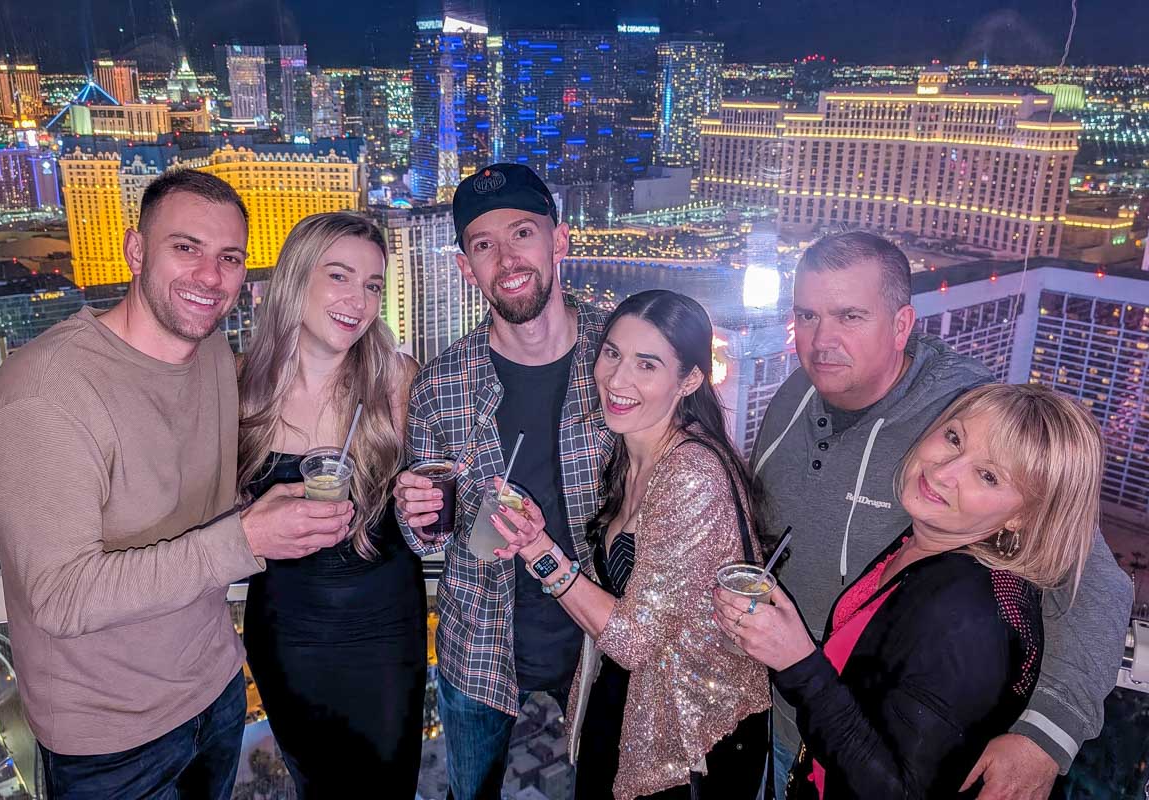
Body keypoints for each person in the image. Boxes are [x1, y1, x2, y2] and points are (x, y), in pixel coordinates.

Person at [0, 169, 355, 799]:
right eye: (186, 248)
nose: (210, 276)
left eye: (229, 257)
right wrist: (247, 537)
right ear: (135, 250)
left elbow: (197, 498)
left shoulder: (211, 355)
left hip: (216, 689)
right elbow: (61, 597)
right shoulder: (45, 393)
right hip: (110, 742)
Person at [750, 231, 1132, 799]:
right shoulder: (796, 392)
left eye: (850, 316)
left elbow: (1091, 577)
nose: (821, 341)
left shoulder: (968, 414)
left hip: (864, 747)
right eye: (807, 315)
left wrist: (1049, 731)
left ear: (901, 324)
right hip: (776, 716)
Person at [718, 383, 1102, 798]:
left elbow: (897, 792)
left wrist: (799, 661)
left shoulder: (968, 617)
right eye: (954, 438)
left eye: (988, 476)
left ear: (1021, 517)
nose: (942, 472)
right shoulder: (923, 541)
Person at [489, 290, 772, 799]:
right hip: (629, 700)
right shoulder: (628, 452)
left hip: (684, 738)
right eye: (612, 353)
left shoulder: (692, 475)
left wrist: (540, 551)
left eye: (647, 364)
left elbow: (633, 640)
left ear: (689, 380)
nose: (617, 380)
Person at [392, 163, 615, 799]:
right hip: (480, 648)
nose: (507, 258)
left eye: (522, 233)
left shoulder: (619, 358)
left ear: (559, 240)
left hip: (602, 638)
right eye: (484, 245)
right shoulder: (441, 384)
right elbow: (428, 537)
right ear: (467, 269)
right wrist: (416, 511)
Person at [237, 212, 426, 797]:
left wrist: (421, 505)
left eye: (372, 285)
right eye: (339, 276)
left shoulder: (397, 380)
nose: (358, 301)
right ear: (297, 277)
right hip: (286, 633)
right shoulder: (239, 386)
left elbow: (440, 510)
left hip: (385, 629)